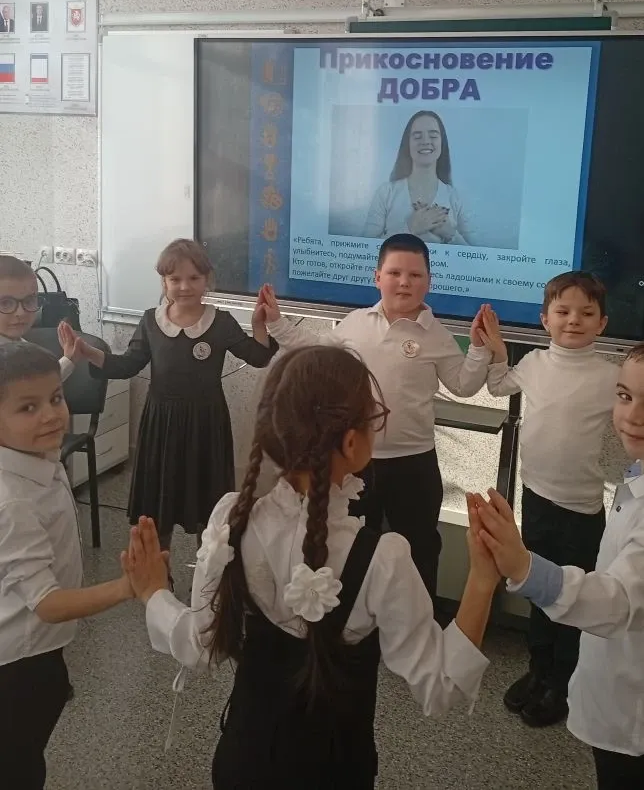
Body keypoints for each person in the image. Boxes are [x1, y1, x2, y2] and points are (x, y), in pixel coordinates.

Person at [124, 345, 498, 790]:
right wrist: (482, 579)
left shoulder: (232, 519)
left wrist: (154, 594)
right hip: (337, 769)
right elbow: (441, 686)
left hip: (244, 759)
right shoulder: (383, 558)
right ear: (352, 443)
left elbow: (200, 646)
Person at [472, 332, 644, 790]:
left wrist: (523, 566)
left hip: (641, 722)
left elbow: (618, 602)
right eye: (625, 396)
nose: (631, 416)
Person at [258, 233, 491, 599]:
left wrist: (478, 349)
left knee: (419, 547)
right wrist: (276, 324)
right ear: (377, 277)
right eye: (395, 273)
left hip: (414, 463)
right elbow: (316, 353)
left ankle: (418, 618)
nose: (404, 282)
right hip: (354, 464)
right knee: (349, 544)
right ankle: (350, 615)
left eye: (415, 275)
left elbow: (464, 385)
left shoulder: (437, 335)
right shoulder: (355, 323)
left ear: (429, 281)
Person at [59, 239, 279, 553]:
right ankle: (158, 568)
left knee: (208, 505)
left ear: (207, 280)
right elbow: (127, 365)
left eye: (194, 278)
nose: (184, 286)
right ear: (164, 282)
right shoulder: (151, 321)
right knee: (157, 505)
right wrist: (88, 352)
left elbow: (258, 357)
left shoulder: (221, 322)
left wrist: (259, 325)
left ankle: (209, 568)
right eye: (175, 279)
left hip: (206, 424)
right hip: (160, 424)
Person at [478, 271, 619, 727]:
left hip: (581, 509)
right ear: (545, 319)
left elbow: (639, 423)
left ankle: (563, 681)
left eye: (586, 313)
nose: (573, 320)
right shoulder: (535, 363)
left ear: (602, 323)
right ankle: (538, 669)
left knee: (572, 595)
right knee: (536, 585)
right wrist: (497, 350)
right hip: (535, 497)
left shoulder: (612, 376)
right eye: (563, 311)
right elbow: (498, 386)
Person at [0, 343, 135, 790]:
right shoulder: (13, 502)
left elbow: (37, 384)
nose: (51, 416)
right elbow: (48, 604)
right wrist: (127, 586)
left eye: (56, 399)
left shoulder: (31, 455)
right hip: (18, 664)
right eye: (28, 408)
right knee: (19, 766)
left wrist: (67, 362)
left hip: (40, 652)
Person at [363, 110, 476, 244]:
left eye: (433, 136)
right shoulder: (386, 193)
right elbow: (365, 249)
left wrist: (451, 234)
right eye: (417, 136)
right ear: (408, 144)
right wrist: (409, 229)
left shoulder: (456, 198)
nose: (425, 141)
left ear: (442, 143)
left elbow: (477, 253)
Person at [0, 255, 75, 382]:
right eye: (5, 303)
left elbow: (35, 384)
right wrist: (68, 360)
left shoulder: (20, 345)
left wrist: (69, 358)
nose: (21, 312)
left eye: (29, 300)